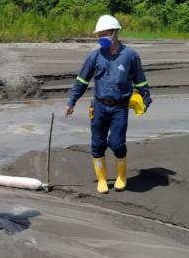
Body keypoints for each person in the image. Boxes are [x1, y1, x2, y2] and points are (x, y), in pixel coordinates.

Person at [65, 15, 152, 194]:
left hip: (120, 107)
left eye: (105, 34)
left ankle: (121, 176)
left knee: (117, 143)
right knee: (97, 144)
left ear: (116, 33)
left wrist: (145, 98)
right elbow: (82, 81)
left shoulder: (130, 56)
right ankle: (102, 179)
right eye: (99, 35)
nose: (101, 38)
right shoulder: (94, 56)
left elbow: (140, 80)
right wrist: (72, 101)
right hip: (99, 107)